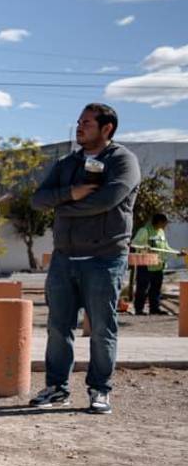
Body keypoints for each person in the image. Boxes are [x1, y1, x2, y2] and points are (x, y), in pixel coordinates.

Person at [30, 103, 140, 415]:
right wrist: (72, 192)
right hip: (65, 258)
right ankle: (56, 388)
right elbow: (38, 199)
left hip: (105, 259)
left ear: (107, 129)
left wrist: (62, 205)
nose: (79, 127)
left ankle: (99, 390)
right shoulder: (67, 163)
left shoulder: (123, 161)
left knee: (103, 329)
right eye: (79, 121)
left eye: (87, 123)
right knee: (58, 327)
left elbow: (107, 200)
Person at [131, 213, 184, 316]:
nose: (166, 225)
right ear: (159, 222)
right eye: (164, 223)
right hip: (146, 265)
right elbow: (135, 244)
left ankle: (154, 308)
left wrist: (178, 254)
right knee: (142, 288)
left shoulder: (161, 232)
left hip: (158, 265)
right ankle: (139, 309)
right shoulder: (145, 231)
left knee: (156, 288)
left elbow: (165, 248)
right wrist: (144, 247)